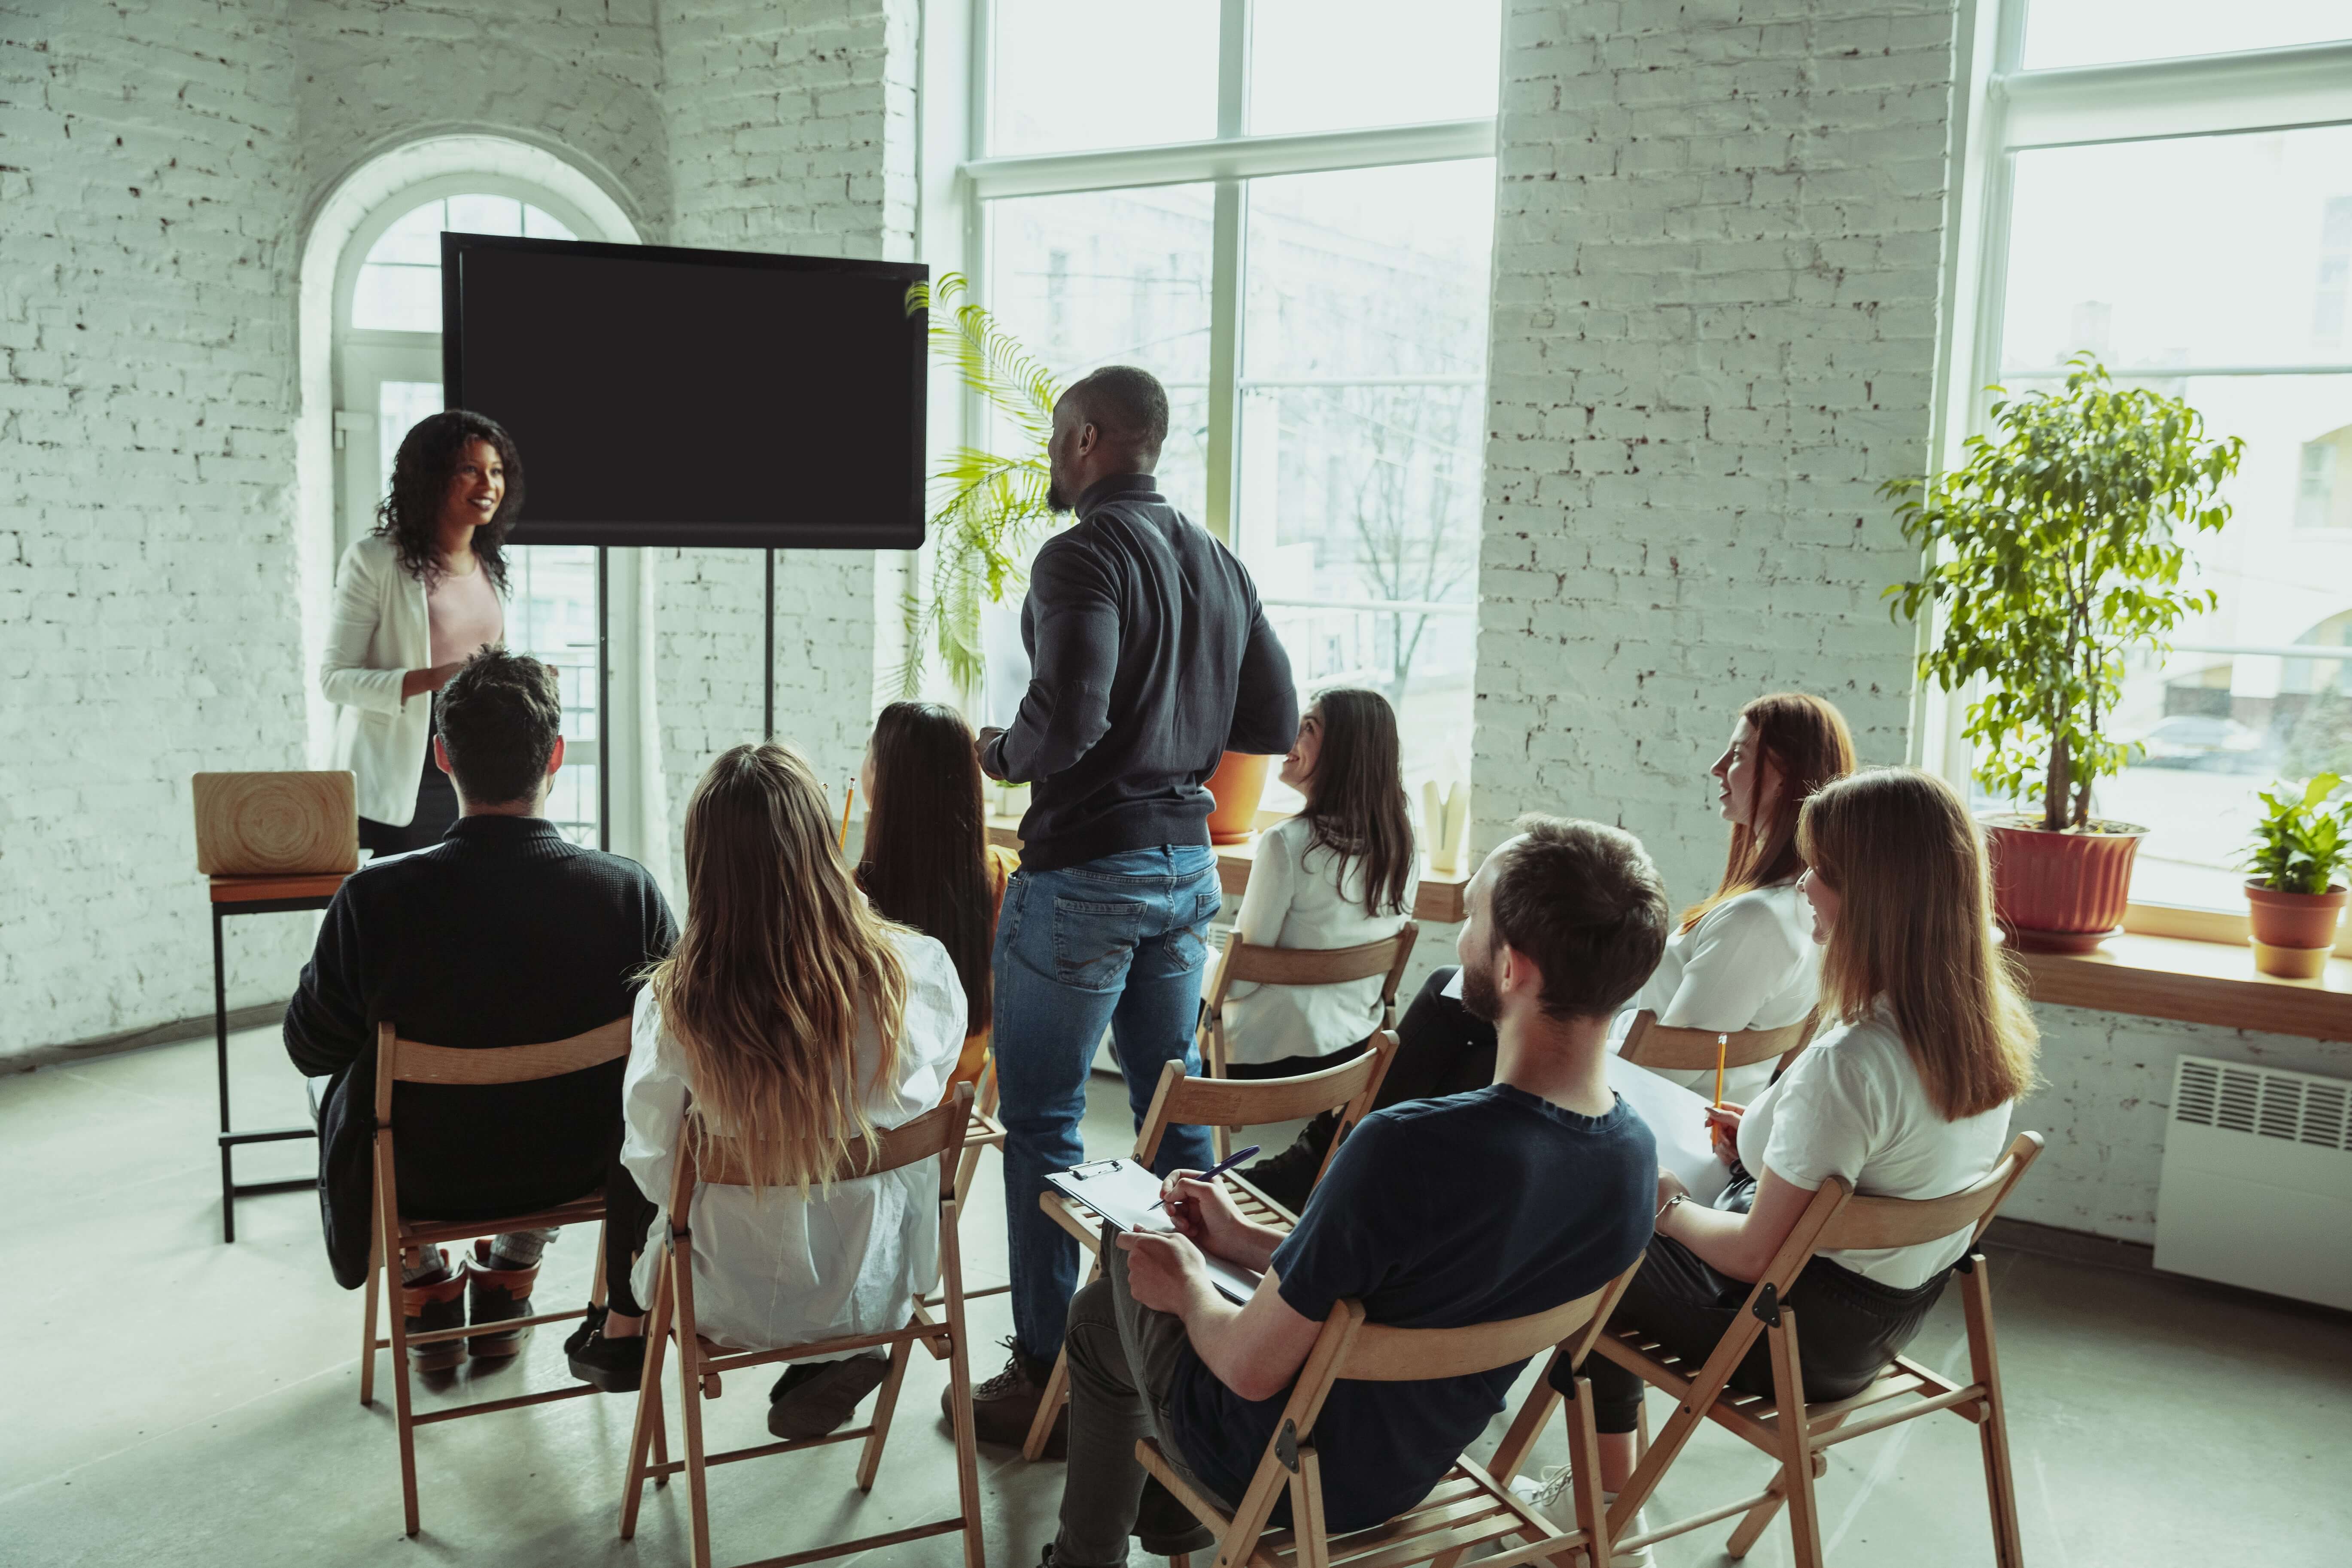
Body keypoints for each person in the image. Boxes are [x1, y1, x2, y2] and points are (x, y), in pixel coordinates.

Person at [1038, 816, 1665, 1568]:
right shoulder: (1632, 1162)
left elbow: (1246, 1365)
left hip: (1280, 1468)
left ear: (1514, 970)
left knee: (1110, 1292)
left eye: (1471, 918)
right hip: (1410, 1470)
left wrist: (1189, 1285)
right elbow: (1413, 1291)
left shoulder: (1405, 1146)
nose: (1460, 939)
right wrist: (1243, 1242)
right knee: (1128, 1299)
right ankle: (1166, 1531)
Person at [1514, 769, 2039, 1559]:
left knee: (1587, 1223)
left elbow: (1756, 1254)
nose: (1804, 886)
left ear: (1874, 896)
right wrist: (1762, 1138)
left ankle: (1608, 1505)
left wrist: (1659, 1204)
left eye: (1820, 872)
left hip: (1786, 1338)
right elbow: (1865, 1164)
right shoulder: (1982, 1033)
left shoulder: (1856, 1058)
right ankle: (1609, 1494)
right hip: (1881, 1327)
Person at [961, 364, 1299, 1450]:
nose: (1053, 457)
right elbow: (1278, 711)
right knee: (1175, 1115)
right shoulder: (1218, 560)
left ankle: (1048, 1377)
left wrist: (995, 754)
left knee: (1046, 1124)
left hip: (1084, 873)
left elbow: (1066, 722)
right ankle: (1178, 1351)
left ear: (1093, 439)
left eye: (1061, 437)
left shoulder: (1081, 553)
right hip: (1184, 867)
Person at [1243, 692, 1856, 1211]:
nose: (1718, 767)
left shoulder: (1758, 919)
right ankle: (1340, 1165)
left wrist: (1568, 1014)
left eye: (1740, 755)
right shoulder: (1792, 910)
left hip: (1652, 1128)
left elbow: (1663, 1068)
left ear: (1786, 774)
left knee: (1452, 1011)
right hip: (1648, 1101)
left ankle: (1327, 1159)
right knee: (1455, 1015)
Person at [283, 649, 676, 1370]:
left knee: (334, 1081)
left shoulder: (372, 900)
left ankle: (422, 1278)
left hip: (422, 1174)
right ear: (555, 756)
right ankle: (512, 1267)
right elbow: (678, 1049)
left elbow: (310, 1047)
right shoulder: (629, 893)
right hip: (582, 1163)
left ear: (441, 757)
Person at [569, 743, 968, 1441]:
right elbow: (918, 1100)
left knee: (642, 1165)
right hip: (878, 1283)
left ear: (704, 867)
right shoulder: (918, 974)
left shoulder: (676, 1008)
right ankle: (839, 1348)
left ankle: (622, 1328)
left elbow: (656, 1173)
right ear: (823, 845)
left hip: (721, 1297)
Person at [321, 409, 523, 857]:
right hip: (398, 776)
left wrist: (519, 676)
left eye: (496, 471)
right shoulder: (373, 560)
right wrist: (433, 678)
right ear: (432, 477)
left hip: (476, 765)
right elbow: (335, 680)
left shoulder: (491, 565)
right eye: (470, 470)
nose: (488, 485)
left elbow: (487, 661)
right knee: (405, 913)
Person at [1215, 688, 1419, 1080]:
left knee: (1133, 1039)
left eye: (1308, 727)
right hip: (1353, 1048)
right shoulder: (1402, 842)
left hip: (1264, 1053)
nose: (1290, 737)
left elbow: (1237, 985)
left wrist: (1201, 966)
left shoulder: (1285, 844)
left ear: (1344, 752)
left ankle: (1180, 1141)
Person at [856, 701, 1022, 1100]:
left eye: (869, 751)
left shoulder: (853, 895)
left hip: (878, 1108)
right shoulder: (1004, 872)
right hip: (957, 1101)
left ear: (883, 779)